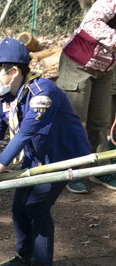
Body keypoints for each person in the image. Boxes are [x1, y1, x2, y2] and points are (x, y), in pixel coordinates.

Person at [0, 37, 91, 266]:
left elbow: (25, 134)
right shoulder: (3, 101)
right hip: (35, 157)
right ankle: (25, 256)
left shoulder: (42, 93)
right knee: (19, 207)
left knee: (36, 208)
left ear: (14, 71)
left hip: (63, 157)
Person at [55, 0, 116, 193]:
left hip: (105, 69)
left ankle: (101, 169)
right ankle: (68, 170)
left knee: (100, 121)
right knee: (75, 120)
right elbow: (91, 23)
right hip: (78, 63)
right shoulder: (110, 3)